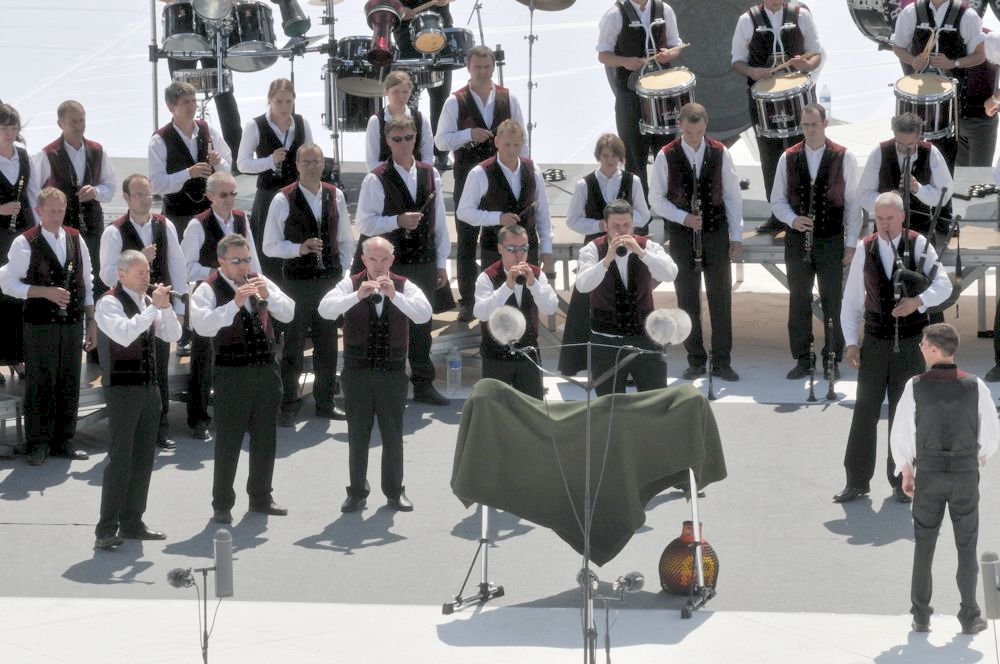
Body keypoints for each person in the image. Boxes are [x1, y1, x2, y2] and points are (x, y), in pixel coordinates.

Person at [835, 191, 952, 504]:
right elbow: (852, 302)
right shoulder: (865, 247)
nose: (884, 224)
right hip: (875, 341)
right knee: (865, 412)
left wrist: (917, 301)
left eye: (890, 218)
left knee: (905, 415)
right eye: (879, 218)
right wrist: (850, 343)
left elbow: (945, 286)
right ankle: (856, 481)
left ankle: (903, 480)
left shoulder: (919, 245)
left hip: (911, 344)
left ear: (902, 217)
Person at [890, 322, 998, 634]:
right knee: (967, 546)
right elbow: (991, 436)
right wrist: (972, 459)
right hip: (964, 475)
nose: (920, 347)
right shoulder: (976, 385)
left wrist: (907, 470)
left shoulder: (915, 386)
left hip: (930, 475)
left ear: (935, 349)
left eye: (923, 343)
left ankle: (921, 615)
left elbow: (902, 432)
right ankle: (969, 616)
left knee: (924, 545)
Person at [318, 236, 432, 514]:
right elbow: (324, 309)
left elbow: (423, 315)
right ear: (363, 260)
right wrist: (356, 295)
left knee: (393, 434)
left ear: (392, 260)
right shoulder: (350, 283)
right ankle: (356, 492)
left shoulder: (405, 285)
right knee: (357, 434)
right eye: (373, 259)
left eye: (384, 259)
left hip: (392, 372)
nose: (378, 265)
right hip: (357, 372)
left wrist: (395, 295)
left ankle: (395, 491)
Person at [191, 234, 294, 524]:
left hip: (265, 370)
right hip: (231, 373)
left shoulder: (259, 280)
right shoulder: (207, 288)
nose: (243, 265)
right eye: (236, 260)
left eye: (246, 259)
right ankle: (222, 503)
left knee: (265, 437)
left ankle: (261, 496)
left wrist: (269, 296)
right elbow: (203, 325)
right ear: (221, 261)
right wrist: (234, 303)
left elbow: (289, 313)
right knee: (229, 441)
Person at [356, 115, 450, 406]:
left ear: (416, 139)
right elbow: (364, 224)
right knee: (388, 322)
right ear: (387, 141)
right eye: (397, 139)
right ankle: (389, 384)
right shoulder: (376, 177)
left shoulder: (430, 172)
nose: (404, 144)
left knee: (422, 324)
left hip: (423, 258)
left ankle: (423, 384)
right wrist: (397, 220)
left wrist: (441, 262)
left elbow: (440, 222)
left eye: (409, 138)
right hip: (391, 264)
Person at [0, 187, 96, 466]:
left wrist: (91, 322)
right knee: (41, 381)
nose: (57, 215)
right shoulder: (24, 241)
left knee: (69, 381)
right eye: (51, 210)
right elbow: (7, 283)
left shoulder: (76, 239)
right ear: (39, 211)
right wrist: (45, 292)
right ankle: (38, 443)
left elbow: (87, 282)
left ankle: (64, 440)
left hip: (72, 322)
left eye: (61, 210)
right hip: (39, 323)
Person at [649, 102, 744, 381]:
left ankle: (722, 361)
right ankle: (696, 359)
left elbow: (732, 195)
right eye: (690, 132)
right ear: (681, 127)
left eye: (700, 132)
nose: (694, 138)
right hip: (682, 235)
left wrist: (736, 236)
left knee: (720, 298)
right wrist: (683, 217)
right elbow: (656, 198)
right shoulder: (665, 155)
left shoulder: (720, 151)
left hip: (715, 232)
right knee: (687, 297)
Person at [93, 250, 181, 550]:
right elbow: (124, 335)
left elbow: (174, 333)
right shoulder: (109, 303)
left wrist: (165, 308)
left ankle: (133, 522)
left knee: (144, 457)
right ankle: (105, 528)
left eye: (147, 272)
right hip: (121, 389)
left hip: (149, 387)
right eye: (140, 273)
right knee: (120, 458)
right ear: (122, 275)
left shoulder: (148, 302)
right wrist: (151, 309)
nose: (147, 277)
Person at [263, 143, 355, 427]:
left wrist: (346, 275)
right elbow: (269, 246)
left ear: (322, 165)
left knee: (327, 344)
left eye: (316, 161)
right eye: (306, 162)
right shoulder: (282, 199)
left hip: (329, 280)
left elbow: (345, 241)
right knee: (292, 345)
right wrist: (298, 248)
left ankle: (325, 402)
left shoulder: (335, 194)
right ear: (297, 165)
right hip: (297, 283)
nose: (312, 166)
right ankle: (288, 404)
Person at [435, 45, 526, 322]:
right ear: (468, 67)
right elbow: (440, 140)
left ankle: (499, 290)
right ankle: (468, 299)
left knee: (497, 237)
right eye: (478, 67)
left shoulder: (508, 98)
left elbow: (522, 138)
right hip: (467, 174)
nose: (483, 72)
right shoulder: (455, 101)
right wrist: (468, 134)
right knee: (466, 239)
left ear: (493, 67)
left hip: (500, 177)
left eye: (487, 67)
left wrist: (525, 172)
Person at [770, 103, 860, 379]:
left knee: (833, 300)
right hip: (798, 240)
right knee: (799, 299)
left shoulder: (844, 156)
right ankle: (803, 358)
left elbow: (853, 205)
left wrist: (851, 243)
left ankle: (832, 357)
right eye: (806, 125)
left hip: (831, 238)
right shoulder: (788, 156)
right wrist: (793, 219)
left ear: (825, 123)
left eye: (814, 124)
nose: (810, 130)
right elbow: (777, 200)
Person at [100, 174, 188, 450]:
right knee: (128, 370)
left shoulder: (165, 225)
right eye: (138, 194)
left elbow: (178, 266)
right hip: (126, 307)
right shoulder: (114, 231)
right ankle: (129, 428)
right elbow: (105, 275)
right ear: (126, 198)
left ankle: (160, 428)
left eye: (148, 194)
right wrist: (139, 257)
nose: (145, 199)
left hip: (159, 307)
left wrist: (179, 308)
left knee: (158, 368)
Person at [149, 81, 232, 356]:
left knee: (213, 265)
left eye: (194, 100)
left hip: (209, 213)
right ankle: (185, 332)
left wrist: (217, 162)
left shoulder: (207, 131)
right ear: (171, 107)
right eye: (186, 102)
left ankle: (216, 322)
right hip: (178, 214)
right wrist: (188, 173)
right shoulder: (160, 139)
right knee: (181, 273)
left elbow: (227, 167)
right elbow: (157, 184)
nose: (193, 105)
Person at [560, 133, 650, 376]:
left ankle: (631, 364)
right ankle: (581, 363)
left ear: (621, 158)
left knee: (626, 302)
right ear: (599, 156)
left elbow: (644, 214)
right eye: (604, 155)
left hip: (627, 248)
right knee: (586, 303)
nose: (609, 161)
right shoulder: (584, 184)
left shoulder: (634, 181)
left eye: (613, 156)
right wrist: (600, 226)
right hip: (596, 248)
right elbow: (573, 220)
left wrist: (623, 228)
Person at [181, 171, 261, 440]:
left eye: (233, 194)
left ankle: (243, 411)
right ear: (210, 196)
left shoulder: (242, 219)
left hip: (240, 292)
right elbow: (185, 267)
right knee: (204, 357)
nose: (230, 199)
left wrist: (258, 285)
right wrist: (221, 273)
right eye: (224, 195)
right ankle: (198, 419)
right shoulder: (197, 225)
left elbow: (253, 259)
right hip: (210, 292)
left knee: (242, 353)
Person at [731, 0, 822, 234]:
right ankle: (777, 215)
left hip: (798, 93)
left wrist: (806, 64)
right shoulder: (746, 20)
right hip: (763, 97)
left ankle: (805, 212)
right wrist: (753, 71)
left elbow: (817, 53)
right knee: (769, 155)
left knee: (802, 151)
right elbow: (737, 61)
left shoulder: (801, 16)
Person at [574, 198, 678, 396]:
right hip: (605, 340)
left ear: (633, 224)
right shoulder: (592, 249)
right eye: (616, 226)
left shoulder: (649, 246)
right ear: (605, 225)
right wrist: (606, 260)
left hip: (645, 337)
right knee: (609, 406)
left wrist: (642, 253)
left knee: (655, 401)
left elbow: (670, 274)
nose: (622, 231)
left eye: (627, 225)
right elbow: (583, 285)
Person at [596, 0, 685, 198]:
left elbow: (676, 43)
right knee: (635, 156)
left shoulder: (664, 9)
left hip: (662, 93)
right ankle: (640, 216)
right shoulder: (615, 14)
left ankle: (670, 211)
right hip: (630, 94)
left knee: (666, 154)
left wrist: (670, 53)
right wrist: (625, 61)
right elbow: (603, 55)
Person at [891, 0, 994, 169]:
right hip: (924, 108)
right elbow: (898, 46)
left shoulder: (967, 16)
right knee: (929, 170)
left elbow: (979, 56)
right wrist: (912, 60)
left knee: (966, 174)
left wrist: (954, 63)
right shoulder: (911, 12)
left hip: (960, 106)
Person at [35, 100, 116, 303]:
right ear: (60, 124)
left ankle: (95, 322)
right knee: (64, 275)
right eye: (73, 122)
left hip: (92, 224)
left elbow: (110, 186)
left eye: (82, 120)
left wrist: (96, 191)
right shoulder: (47, 154)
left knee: (95, 273)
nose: (79, 126)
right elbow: (35, 193)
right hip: (59, 226)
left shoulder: (98, 151)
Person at [456, 119, 553, 284]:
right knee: (498, 306)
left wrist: (547, 249)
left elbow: (543, 212)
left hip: (528, 251)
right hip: (494, 252)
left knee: (528, 304)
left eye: (516, 145)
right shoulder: (479, 173)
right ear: (496, 142)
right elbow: (463, 212)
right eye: (507, 144)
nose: (511, 150)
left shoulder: (533, 170)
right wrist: (497, 218)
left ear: (522, 144)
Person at [236, 78, 311, 283]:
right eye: (279, 102)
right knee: (268, 249)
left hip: (296, 196)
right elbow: (242, 164)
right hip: (268, 195)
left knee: (296, 244)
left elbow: (311, 154)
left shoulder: (301, 123)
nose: (284, 107)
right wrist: (270, 161)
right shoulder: (256, 125)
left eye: (289, 102)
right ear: (269, 100)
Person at [474, 225, 559, 399]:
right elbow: (481, 313)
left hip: (528, 353)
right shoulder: (487, 277)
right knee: (495, 411)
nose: (519, 255)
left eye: (524, 249)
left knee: (532, 410)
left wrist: (533, 284)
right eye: (512, 249)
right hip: (495, 355)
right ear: (500, 248)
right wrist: (507, 287)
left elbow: (550, 308)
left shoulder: (537, 275)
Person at [858, 113, 953, 238]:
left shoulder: (931, 152)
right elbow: (863, 195)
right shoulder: (879, 152)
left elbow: (944, 195)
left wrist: (918, 188)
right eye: (900, 144)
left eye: (910, 145)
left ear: (919, 136)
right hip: (885, 228)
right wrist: (886, 199)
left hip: (921, 227)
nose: (905, 149)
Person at [0, 103, 39, 381]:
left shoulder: (24, 156)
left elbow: (35, 196)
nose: (10, 133)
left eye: (14, 128)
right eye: (4, 128)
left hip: (20, 236)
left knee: (18, 295)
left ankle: (16, 355)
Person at [397, 0, 455, 171]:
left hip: (440, 27)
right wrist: (398, 8)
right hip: (407, 32)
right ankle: (407, 152)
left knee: (441, 99)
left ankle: (441, 153)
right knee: (407, 99)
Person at [364, 71, 435, 172]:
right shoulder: (376, 121)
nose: (401, 97)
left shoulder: (421, 119)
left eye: (405, 92)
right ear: (386, 92)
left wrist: (418, 176)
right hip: (386, 177)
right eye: (395, 92)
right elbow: (372, 162)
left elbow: (427, 156)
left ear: (410, 92)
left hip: (416, 176)